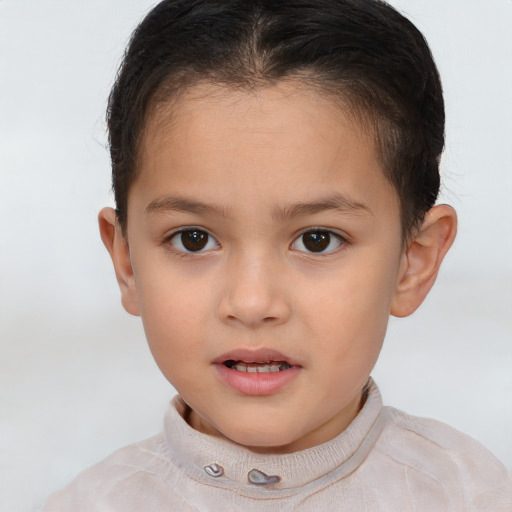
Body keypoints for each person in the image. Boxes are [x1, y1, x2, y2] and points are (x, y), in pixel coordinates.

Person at [42, 0, 512, 510]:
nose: (251, 302)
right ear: (128, 261)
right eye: (194, 239)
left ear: (413, 261)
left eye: (317, 240)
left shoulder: (469, 492)